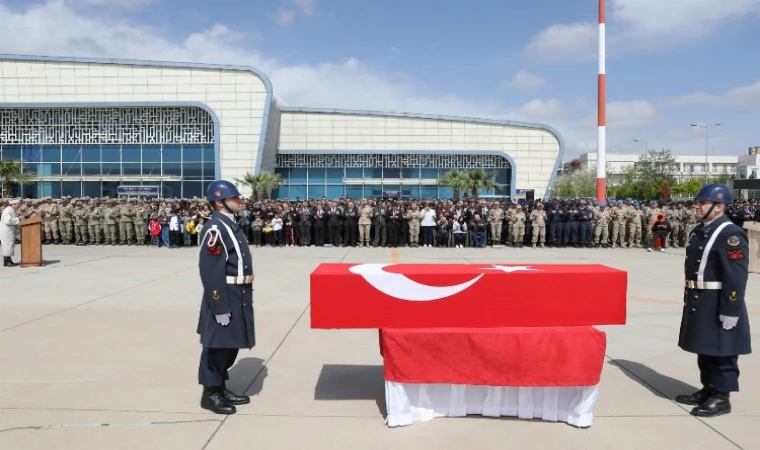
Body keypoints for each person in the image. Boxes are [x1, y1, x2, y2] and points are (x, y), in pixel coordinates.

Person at [675, 184, 752, 417]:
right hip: (701, 297)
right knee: (705, 348)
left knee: (722, 351)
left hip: (719, 300)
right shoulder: (700, 231)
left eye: (702, 203)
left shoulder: (730, 234)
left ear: (719, 207)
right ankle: (708, 388)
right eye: (697, 203)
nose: (696, 207)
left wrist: (731, 309)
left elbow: (735, 276)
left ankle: (722, 397)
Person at [196, 180, 256, 415]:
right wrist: (219, 304)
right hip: (224, 295)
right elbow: (210, 271)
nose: (240, 201)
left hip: (239, 292)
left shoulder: (231, 224)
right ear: (220, 202)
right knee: (216, 347)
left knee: (230, 345)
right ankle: (210, 393)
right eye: (235, 198)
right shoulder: (215, 228)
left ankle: (220, 386)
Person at [1, 198, 22, 267]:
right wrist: (18, 219)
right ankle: (6, 261)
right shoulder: (7, 210)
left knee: (10, 246)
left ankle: (9, 260)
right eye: (18, 204)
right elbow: (8, 221)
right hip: (6, 232)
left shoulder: (12, 210)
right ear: (13, 204)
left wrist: (18, 218)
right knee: (7, 246)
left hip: (10, 231)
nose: (19, 206)